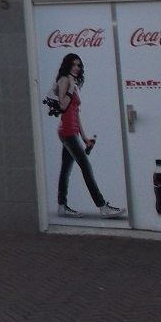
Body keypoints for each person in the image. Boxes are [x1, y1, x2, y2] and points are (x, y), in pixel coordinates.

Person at [53, 53, 126, 219]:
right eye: (74, 65)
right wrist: (71, 87)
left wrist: (84, 137)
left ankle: (62, 206)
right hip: (67, 131)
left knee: (66, 169)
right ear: (67, 65)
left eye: (79, 65)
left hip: (71, 130)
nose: (77, 68)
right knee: (86, 167)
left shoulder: (71, 82)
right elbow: (63, 106)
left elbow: (75, 113)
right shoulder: (65, 80)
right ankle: (103, 206)